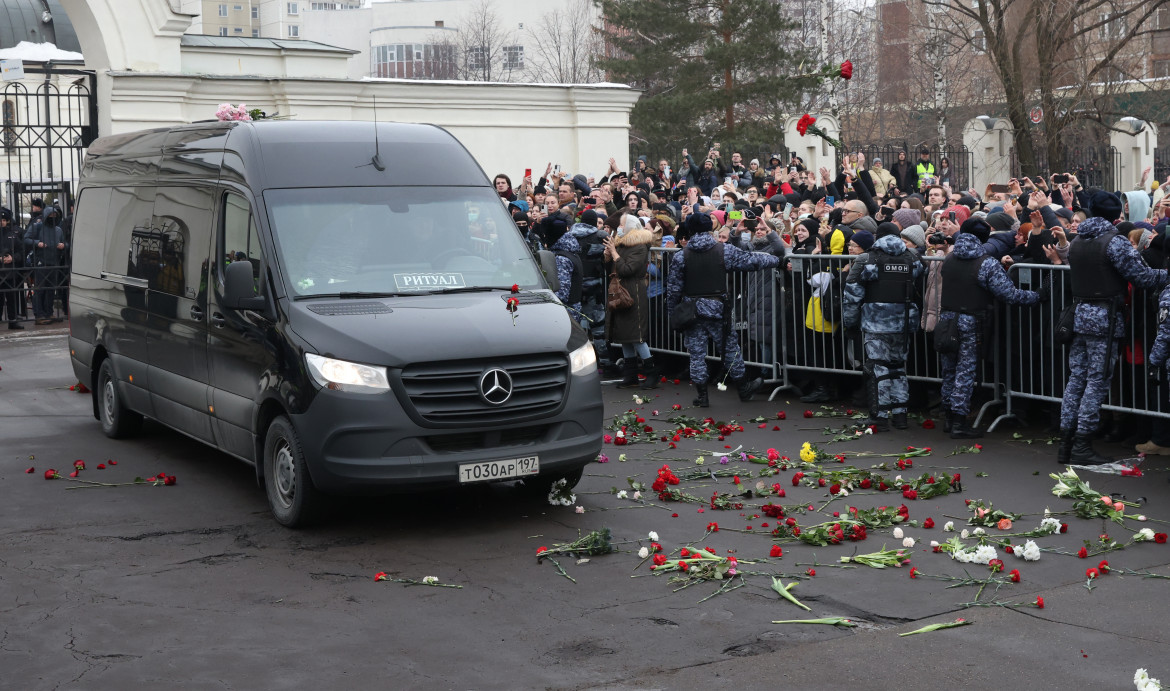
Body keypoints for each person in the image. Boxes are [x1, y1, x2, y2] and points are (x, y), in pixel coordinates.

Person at [1059, 192, 1169, 464]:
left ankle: (1066, 443)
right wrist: (1167, 274)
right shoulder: (1114, 242)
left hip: (1080, 315)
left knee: (1076, 380)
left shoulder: (1077, 241)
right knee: (1096, 382)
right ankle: (1082, 443)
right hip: (1104, 319)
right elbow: (1142, 276)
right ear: (1115, 215)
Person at [937, 219, 1042, 439]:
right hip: (970, 322)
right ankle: (958, 421)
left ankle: (949, 418)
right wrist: (1037, 296)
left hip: (946, 319)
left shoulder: (949, 258)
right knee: (965, 372)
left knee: (949, 371)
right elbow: (1009, 294)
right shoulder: (986, 263)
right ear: (984, 238)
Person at [666, 212, 780, 407]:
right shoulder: (723, 250)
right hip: (718, 309)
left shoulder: (681, 256)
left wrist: (672, 313)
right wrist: (777, 260)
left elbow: (673, 288)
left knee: (696, 354)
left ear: (691, 230)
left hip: (691, 311)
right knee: (730, 349)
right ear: (710, 229)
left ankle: (702, 396)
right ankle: (744, 388)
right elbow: (751, 260)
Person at [843, 223, 923, 431]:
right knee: (898, 367)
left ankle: (879, 416)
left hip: (876, 322)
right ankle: (900, 415)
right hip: (904, 322)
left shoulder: (867, 259)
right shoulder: (913, 258)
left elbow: (852, 296)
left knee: (878, 368)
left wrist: (849, 323)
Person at [606, 214, 657, 389]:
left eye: (621, 224)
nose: (619, 227)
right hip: (621, 292)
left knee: (637, 336)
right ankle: (631, 375)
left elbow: (627, 269)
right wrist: (608, 254)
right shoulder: (621, 244)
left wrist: (613, 253)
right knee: (624, 336)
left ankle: (652, 373)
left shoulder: (640, 247)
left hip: (633, 293)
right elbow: (613, 266)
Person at [23, 205, 68, 325]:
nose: (52, 217)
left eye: (55, 216)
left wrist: (63, 245)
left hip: (54, 263)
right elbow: (26, 239)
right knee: (40, 290)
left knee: (50, 290)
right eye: (50, 215)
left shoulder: (58, 230)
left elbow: (65, 243)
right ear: (45, 216)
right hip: (41, 263)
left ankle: (49, 312)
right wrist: (38, 243)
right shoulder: (37, 227)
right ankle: (39, 315)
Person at [1, 207, 26, 329]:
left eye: (4, 220)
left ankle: (12, 320)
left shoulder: (12, 235)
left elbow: (21, 251)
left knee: (11, 298)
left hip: (10, 272)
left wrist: (12, 258)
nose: (2, 222)